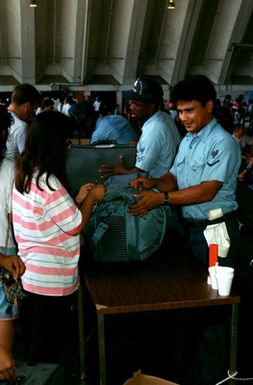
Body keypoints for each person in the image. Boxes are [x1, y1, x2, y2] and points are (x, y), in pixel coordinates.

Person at [12, 111, 105, 364]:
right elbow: (75, 225)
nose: (67, 148)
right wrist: (94, 198)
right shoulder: (49, 181)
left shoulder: (25, 173)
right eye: (65, 142)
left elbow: (47, 217)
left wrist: (76, 200)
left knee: (35, 343)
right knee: (45, 353)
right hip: (51, 279)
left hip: (32, 275)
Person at [129, 74, 241, 268]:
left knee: (217, 292)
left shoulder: (222, 143)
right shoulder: (188, 140)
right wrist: (154, 183)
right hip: (191, 230)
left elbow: (207, 191)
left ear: (209, 106)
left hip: (215, 232)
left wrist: (161, 198)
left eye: (189, 111)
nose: (183, 118)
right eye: (180, 112)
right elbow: (173, 177)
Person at [100, 76, 181, 179]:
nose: (131, 107)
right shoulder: (164, 117)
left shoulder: (153, 131)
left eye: (137, 104)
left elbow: (140, 172)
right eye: (131, 102)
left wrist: (120, 170)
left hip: (155, 184)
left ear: (151, 106)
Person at [0, 105, 26, 382]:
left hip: (6, 256)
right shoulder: (10, 169)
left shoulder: (10, 168)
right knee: (4, 355)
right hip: (6, 254)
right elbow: (13, 218)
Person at [6, 83, 41, 160]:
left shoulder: (3, 116)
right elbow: (29, 160)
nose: (32, 113)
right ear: (27, 106)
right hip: (12, 170)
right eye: (34, 109)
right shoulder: (21, 127)